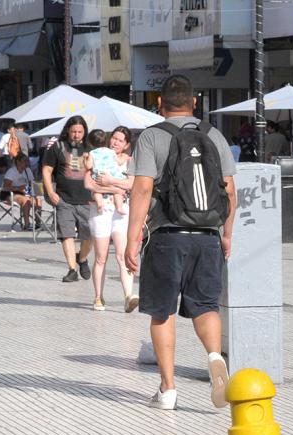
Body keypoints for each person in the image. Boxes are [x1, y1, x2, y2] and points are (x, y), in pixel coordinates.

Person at [124, 74, 237, 410]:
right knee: (206, 306)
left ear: (159, 104)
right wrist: (227, 234)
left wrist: (132, 238)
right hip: (207, 236)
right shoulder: (213, 135)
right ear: (195, 102)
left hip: (167, 236)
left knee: (162, 312)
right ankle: (215, 356)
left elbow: (142, 189)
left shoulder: (151, 136)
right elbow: (230, 191)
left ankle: (168, 388)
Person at [84, 126, 137, 313]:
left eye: (120, 140)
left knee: (124, 255)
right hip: (101, 210)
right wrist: (116, 189)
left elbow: (131, 184)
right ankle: (98, 296)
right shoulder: (97, 156)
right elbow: (88, 183)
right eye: (113, 138)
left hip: (121, 211)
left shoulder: (130, 162)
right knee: (101, 257)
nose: (115, 142)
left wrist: (109, 183)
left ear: (127, 145)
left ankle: (129, 296)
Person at [41, 115, 93, 283]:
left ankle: (82, 258)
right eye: (73, 131)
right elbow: (47, 170)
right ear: (67, 131)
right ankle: (72, 269)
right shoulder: (57, 146)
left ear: (85, 131)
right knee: (67, 234)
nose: (77, 135)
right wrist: (50, 192)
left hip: (87, 199)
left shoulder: (90, 146)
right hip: (64, 199)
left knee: (90, 235)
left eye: (80, 131)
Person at [84, 129, 128, 216]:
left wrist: (85, 159)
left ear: (91, 144)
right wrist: (125, 157)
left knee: (96, 192)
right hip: (114, 175)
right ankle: (119, 207)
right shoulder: (111, 151)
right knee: (118, 193)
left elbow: (88, 166)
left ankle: (99, 204)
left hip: (99, 176)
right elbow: (119, 162)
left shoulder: (92, 153)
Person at [2, 153, 38, 230]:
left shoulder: (28, 171)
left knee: (38, 201)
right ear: (18, 162)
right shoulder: (12, 171)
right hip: (9, 194)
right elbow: (5, 186)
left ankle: (38, 223)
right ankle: (27, 225)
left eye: (27, 161)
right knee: (25, 200)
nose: (27, 163)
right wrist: (18, 188)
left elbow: (32, 183)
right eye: (25, 161)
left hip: (25, 192)